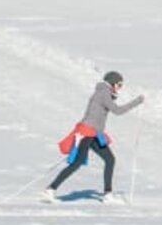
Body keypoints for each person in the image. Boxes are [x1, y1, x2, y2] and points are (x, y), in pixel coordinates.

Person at [44, 71, 143, 203]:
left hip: (94, 133)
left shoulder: (105, 93)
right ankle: (50, 189)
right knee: (76, 163)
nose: (120, 88)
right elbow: (117, 111)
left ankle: (107, 194)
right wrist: (138, 101)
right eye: (119, 85)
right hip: (86, 133)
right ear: (112, 83)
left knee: (110, 159)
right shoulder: (103, 93)